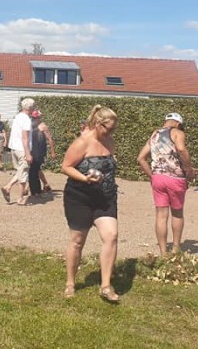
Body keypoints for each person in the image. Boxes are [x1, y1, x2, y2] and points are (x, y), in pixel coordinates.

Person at [61, 106, 120, 302]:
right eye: (109, 129)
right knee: (77, 241)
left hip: (105, 198)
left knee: (111, 236)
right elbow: (66, 166)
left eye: (113, 129)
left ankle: (105, 285)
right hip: (80, 197)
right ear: (98, 124)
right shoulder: (82, 143)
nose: (111, 133)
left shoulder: (109, 141)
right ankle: (70, 282)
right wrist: (85, 178)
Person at [136, 112, 194, 255]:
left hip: (158, 178)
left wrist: (152, 175)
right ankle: (175, 248)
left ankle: (163, 252)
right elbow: (181, 149)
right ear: (179, 123)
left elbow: (141, 158)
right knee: (177, 213)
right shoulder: (177, 132)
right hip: (175, 178)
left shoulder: (154, 134)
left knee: (161, 216)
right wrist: (189, 168)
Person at [1, 98, 35, 206]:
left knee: (20, 171)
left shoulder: (18, 117)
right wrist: (28, 153)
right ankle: (20, 199)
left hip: (14, 148)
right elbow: (25, 138)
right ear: (30, 108)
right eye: (33, 106)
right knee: (24, 174)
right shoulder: (26, 119)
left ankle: (8, 187)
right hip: (22, 149)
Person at [28, 109, 55, 198]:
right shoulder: (30, 126)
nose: (34, 119)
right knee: (34, 170)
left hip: (40, 151)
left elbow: (50, 139)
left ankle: (36, 191)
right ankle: (38, 189)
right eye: (33, 118)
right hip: (33, 150)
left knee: (34, 170)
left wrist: (52, 152)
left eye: (36, 118)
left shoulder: (43, 126)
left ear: (39, 117)